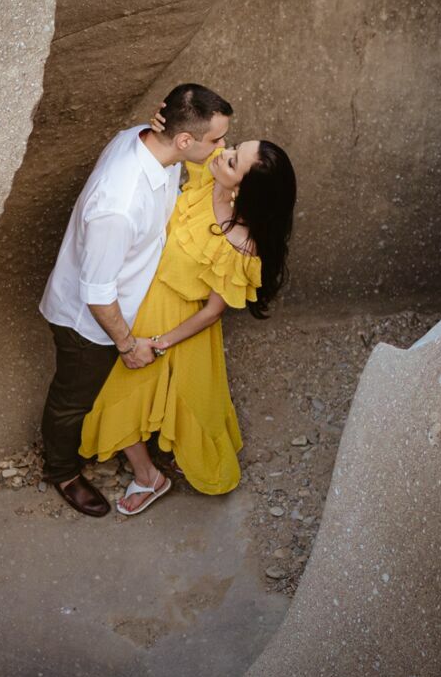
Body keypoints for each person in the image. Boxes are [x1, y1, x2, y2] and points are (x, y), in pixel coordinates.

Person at [37, 84, 232, 516]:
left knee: (108, 392)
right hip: (88, 323)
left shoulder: (148, 141)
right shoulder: (119, 204)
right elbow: (97, 293)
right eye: (216, 139)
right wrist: (126, 345)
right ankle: (63, 471)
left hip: (128, 303)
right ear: (185, 140)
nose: (222, 147)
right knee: (72, 400)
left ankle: (127, 448)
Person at [78, 133, 298, 514]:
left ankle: (154, 475)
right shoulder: (211, 172)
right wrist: (163, 122)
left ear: (244, 190)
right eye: (235, 147)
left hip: (180, 323)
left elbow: (212, 311)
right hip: (143, 296)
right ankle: (152, 472)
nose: (225, 153)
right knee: (125, 397)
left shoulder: (240, 246)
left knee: (173, 403)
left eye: (234, 161)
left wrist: (161, 341)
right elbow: (189, 138)